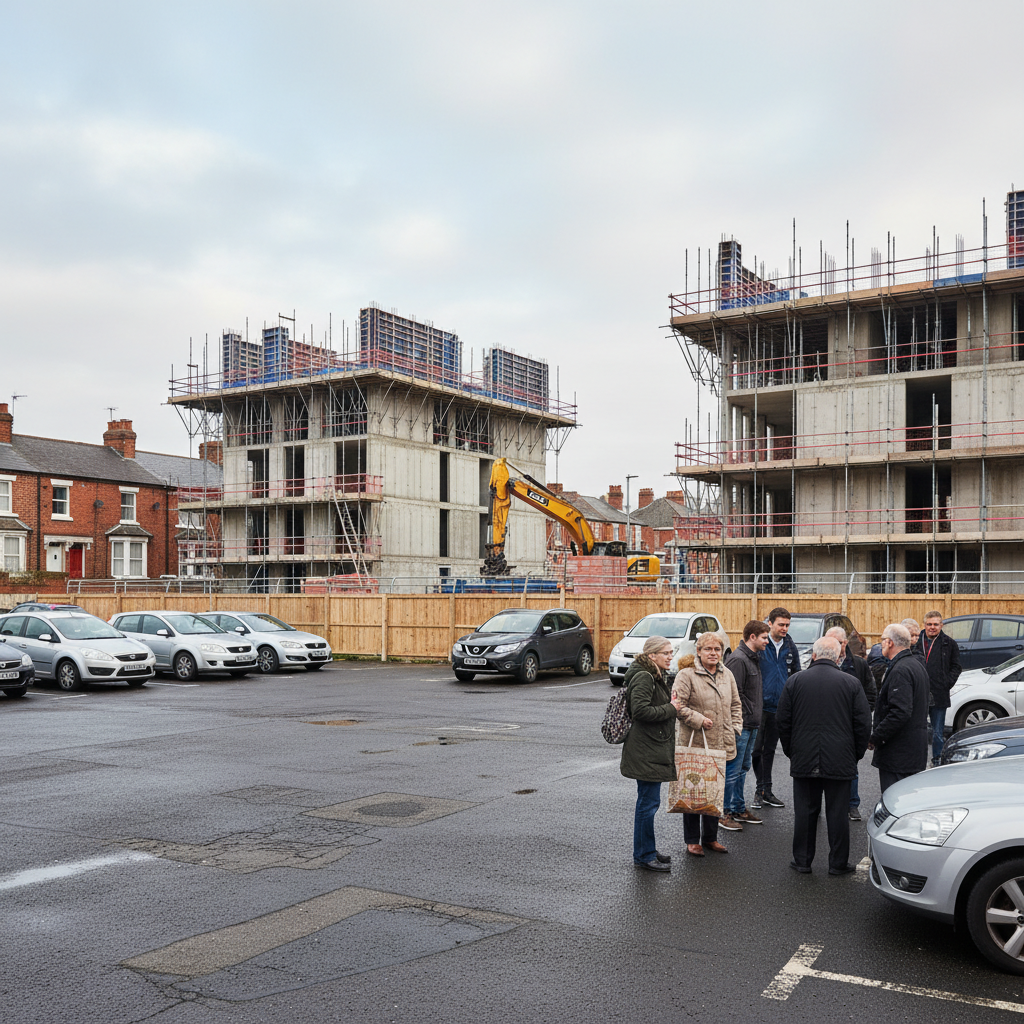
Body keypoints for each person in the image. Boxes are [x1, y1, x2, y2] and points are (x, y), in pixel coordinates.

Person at [777, 636, 871, 875]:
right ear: (839, 657)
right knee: (838, 813)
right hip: (840, 757)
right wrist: (855, 755)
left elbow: (783, 721)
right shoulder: (850, 683)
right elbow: (862, 724)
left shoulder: (795, 681)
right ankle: (838, 863)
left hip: (804, 756)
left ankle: (802, 861)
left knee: (805, 812)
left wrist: (792, 751)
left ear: (814, 655)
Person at [672, 632, 742, 857]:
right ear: (698, 652)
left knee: (714, 792)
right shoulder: (686, 675)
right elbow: (677, 706)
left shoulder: (727, 674)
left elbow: (736, 705)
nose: (713, 653)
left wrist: (736, 728)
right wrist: (699, 719)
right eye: (708, 649)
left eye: (717, 650)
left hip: (722, 743)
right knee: (694, 792)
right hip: (696, 743)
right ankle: (692, 840)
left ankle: (711, 838)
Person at [620, 636, 677, 872]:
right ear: (652, 655)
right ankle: (644, 855)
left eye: (671, 652)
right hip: (646, 750)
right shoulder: (644, 676)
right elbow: (640, 711)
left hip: (650, 747)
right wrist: (671, 708)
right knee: (647, 804)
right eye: (666, 653)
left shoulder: (653, 674)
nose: (670, 656)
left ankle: (648, 849)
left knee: (648, 802)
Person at [720, 620, 769, 830]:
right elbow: (733, 692)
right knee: (732, 769)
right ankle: (724, 813)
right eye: (764, 637)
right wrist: (749, 711)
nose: (768, 641)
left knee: (743, 768)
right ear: (752, 637)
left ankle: (738, 808)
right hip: (741, 725)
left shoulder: (754, 658)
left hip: (752, 724)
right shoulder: (738, 660)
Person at [870, 623, 930, 792]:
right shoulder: (915, 665)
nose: (880, 644)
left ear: (890, 642)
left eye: (882, 640)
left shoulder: (901, 670)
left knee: (896, 802)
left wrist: (876, 737)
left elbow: (900, 712)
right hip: (913, 752)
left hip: (899, 755)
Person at [825, 625, 875, 822]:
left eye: (835, 642)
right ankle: (828, 805)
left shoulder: (859, 665)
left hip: (850, 726)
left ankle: (852, 804)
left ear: (844, 643)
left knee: (851, 766)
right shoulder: (822, 662)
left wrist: (862, 715)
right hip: (828, 725)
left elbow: (871, 693)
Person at [753, 607, 800, 809]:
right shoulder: (762, 645)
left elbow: (797, 674)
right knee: (755, 750)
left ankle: (766, 791)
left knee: (769, 750)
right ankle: (759, 788)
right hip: (759, 706)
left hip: (779, 707)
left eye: (787, 625)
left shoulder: (790, 646)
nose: (785, 628)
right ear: (770, 623)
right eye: (781, 624)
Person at [915, 611, 962, 765]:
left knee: (937, 732)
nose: (932, 627)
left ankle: (937, 760)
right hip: (918, 693)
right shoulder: (916, 642)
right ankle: (917, 760)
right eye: (929, 624)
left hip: (939, 693)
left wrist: (946, 683)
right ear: (924, 625)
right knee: (917, 730)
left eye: (936, 624)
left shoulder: (949, 643)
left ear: (941, 625)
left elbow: (956, 667)